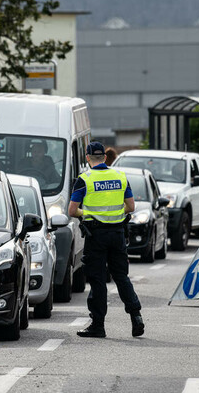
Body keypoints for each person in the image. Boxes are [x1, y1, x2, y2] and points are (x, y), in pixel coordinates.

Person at [68, 141, 144, 338]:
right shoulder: (120, 176)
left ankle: (98, 325)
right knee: (121, 277)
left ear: (87, 158)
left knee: (97, 279)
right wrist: (116, 214)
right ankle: (136, 316)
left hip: (96, 236)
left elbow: (72, 210)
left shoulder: (84, 179)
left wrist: (90, 213)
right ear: (104, 157)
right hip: (118, 234)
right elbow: (131, 206)